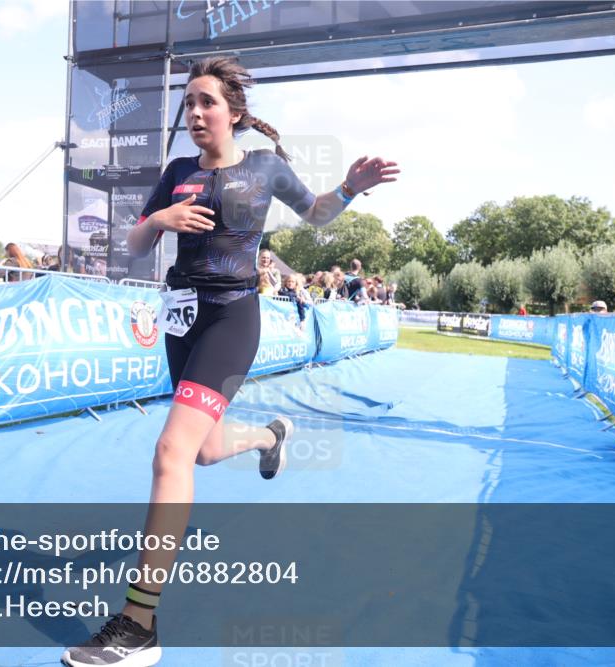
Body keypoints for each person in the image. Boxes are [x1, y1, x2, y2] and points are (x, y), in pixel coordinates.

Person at [62, 55, 399, 667]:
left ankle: (139, 624)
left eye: (206, 102)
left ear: (234, 112)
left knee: (171, 451)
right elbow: (134, 243)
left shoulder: (264, 167)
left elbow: (316, 212)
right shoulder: (176, 172)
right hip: (181, 318)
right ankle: (270, 436)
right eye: (188, 103)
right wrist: (159, 219)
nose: (194, 113)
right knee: (206, 450)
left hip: (232, 319)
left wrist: (350, 187)